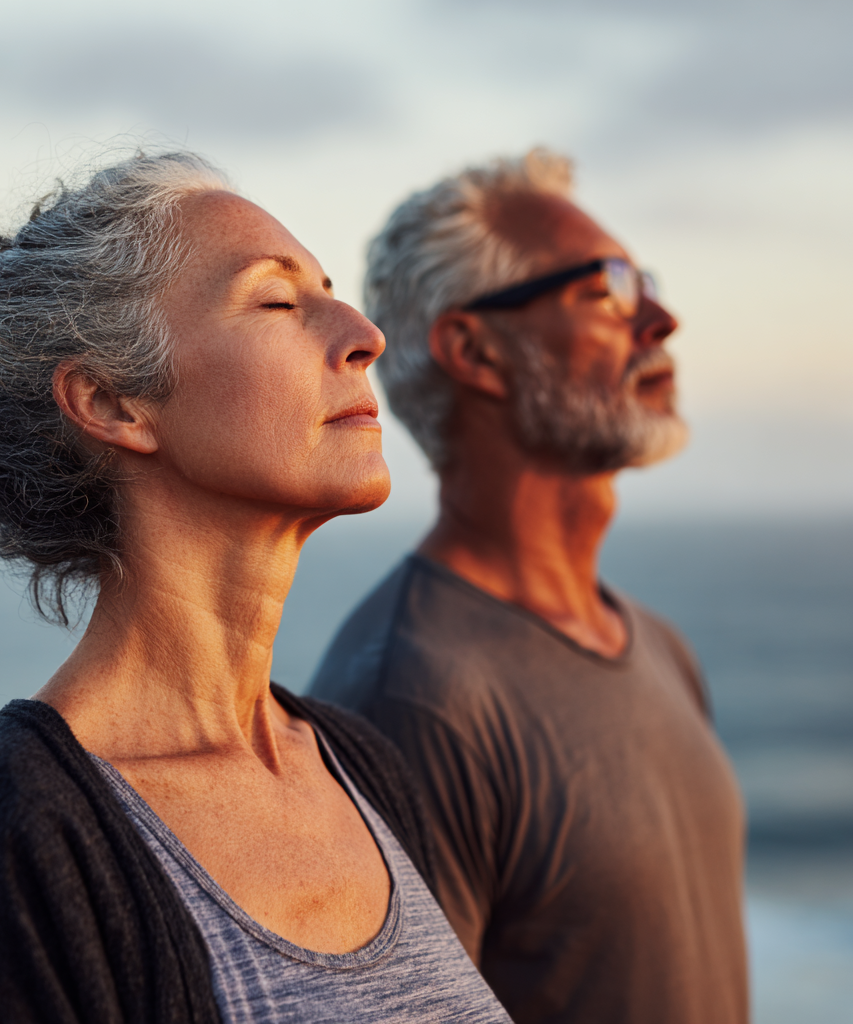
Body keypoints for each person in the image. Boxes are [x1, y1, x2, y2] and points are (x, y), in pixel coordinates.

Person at [0, 152, 513, 1024]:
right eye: (279, 301)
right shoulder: (12, 830)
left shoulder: (360, 769)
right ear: (113, 402)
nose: (364, 333)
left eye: (330, 291)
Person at [310, 150, 748, 1024]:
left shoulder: (659, 647)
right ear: (476, 350)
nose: (660, 319)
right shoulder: (410, 697)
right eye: (607, 290)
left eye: (644, 282)